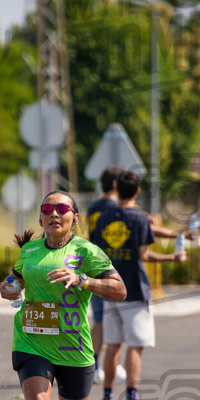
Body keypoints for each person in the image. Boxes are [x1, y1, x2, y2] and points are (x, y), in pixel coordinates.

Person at [0, 191, 126, 400]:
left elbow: (120, 290)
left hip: (73, 348)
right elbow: (13, 282)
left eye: (62, 209)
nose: (54, 214)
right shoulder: (29, 252)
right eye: (47, 209)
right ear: (40, 218)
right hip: (32, 341)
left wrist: (84, 280)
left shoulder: (86, 251)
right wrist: (9, 288)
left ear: (74, 216)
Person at [93, 169, 186, 400]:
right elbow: (143, 255)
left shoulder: (103, 218)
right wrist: (171, 258)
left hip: (108, 288)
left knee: (112, 345)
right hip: (133, 289)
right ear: (137, 191)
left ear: (116, 187)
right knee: (136, 345)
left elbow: (96, 253)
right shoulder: (139, 218)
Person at [86, 165, 127, 386]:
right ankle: (99, 365)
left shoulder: (93, 208)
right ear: (115, 184)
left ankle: (97, 365)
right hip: (111, 269)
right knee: (109, 322)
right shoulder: (116, 208)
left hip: (93, 267)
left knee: (100, 320)